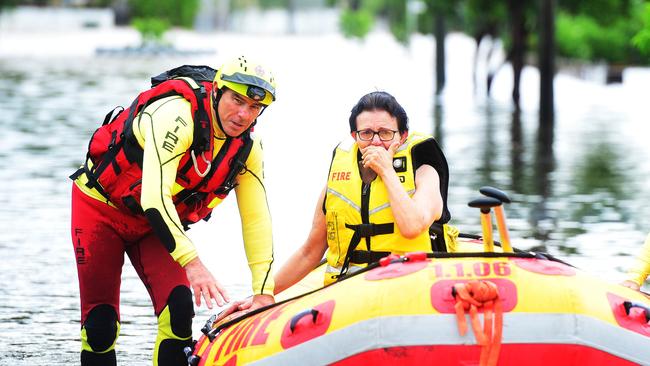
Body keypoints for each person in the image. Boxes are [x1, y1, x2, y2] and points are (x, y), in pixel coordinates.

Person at [69, 56, 276, 366]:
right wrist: (192, 263)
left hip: (153, 226)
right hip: (100, 210)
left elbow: (256, 219)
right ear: (218, 90)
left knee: (179, 310)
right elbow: (154, 198)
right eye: (237, 100)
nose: (243, 114)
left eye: (254, 107)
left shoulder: (248, 149)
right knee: (101, 325)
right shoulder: (175, 116)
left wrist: (263, 292)